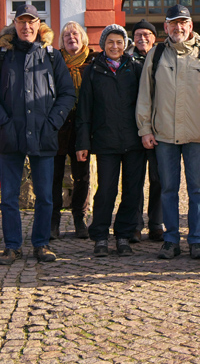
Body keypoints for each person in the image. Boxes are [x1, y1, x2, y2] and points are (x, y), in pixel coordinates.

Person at [0, 5, 76, 265]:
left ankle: (41, 244)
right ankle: (12, 246)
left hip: (44, 135)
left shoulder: (52, 56)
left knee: (44, 196)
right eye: (21, 22)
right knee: (9, 197)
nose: (26, 27)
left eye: (31, 22)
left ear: (38, 24)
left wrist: (53, 122)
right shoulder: (0, 56)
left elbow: (67, 93)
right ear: (15, 24)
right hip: (10, 136)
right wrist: (3, 122)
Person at [136, 4, 200, 260]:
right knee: (168, 189)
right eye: (173, 23)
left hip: (198, 135)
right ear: (166, 27)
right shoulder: (157, 54)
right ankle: (171, 240)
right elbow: (145, 95)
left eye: (182, 22)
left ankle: (196, 240)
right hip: (164, 134)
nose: (178, 27)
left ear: (190, 26)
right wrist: (145, 129)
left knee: (198, 190)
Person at [76, 25, 145, 257]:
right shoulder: (93, 70)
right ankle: (101, 236)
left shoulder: (135, 67)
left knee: (132, 191)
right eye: (110, 42)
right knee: (106, 191)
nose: (115, 47)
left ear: (125, 44)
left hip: (133, 141)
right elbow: (84, 109)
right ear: (103, 45)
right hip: (105, 141)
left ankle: (123, 235)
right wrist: (82, 143)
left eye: (119, 42)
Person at [52, 21, 95, 240]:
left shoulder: (92, 61)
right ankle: (53, 221)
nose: (71, 38)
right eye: (67, 35)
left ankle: (79, 218)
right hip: (58, 127)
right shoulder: (54, 61)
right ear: (62, 41)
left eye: (75, 34)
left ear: (83, 38)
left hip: (82, 126)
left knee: (82, 177)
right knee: (54, 176)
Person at [128, 19, 163, 242]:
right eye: (139, 34)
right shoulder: (126, 59)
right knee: (134, 178)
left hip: (157, 126)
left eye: (147, 34)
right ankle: (135, 223)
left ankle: (156, 223)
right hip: (132, 127)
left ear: (154, 37)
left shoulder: (162, 57)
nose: (143, 38)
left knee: (158, 178)